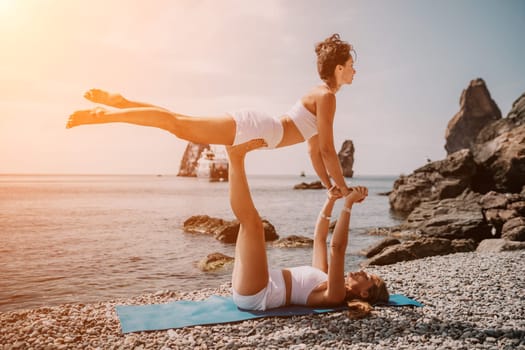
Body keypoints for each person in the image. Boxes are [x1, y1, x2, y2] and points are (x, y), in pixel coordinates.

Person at [66, 34, 356, 196]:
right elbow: (328, 150)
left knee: (177, 121)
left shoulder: (319, 95)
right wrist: (344, 189)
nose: (355, 70)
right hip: (257, 130)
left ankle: (122, 102)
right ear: (338, 69)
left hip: (260, 127)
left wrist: (330, 186)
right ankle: (105, 114)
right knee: (177, 125)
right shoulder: (327, 97)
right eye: (351, 64)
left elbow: (314, 152)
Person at [226, 139, 388, 317]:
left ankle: (235, 157)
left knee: (253, 224)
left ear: (364, 293)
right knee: (247, 223)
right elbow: (319, 237)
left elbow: (338, 248)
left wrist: (348, 204)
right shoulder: (324, 276)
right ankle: (234, 156)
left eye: (369, 278)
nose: (364, 272)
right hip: (254, 284)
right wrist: (330, 200)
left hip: (259, 294)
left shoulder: (335, 295)